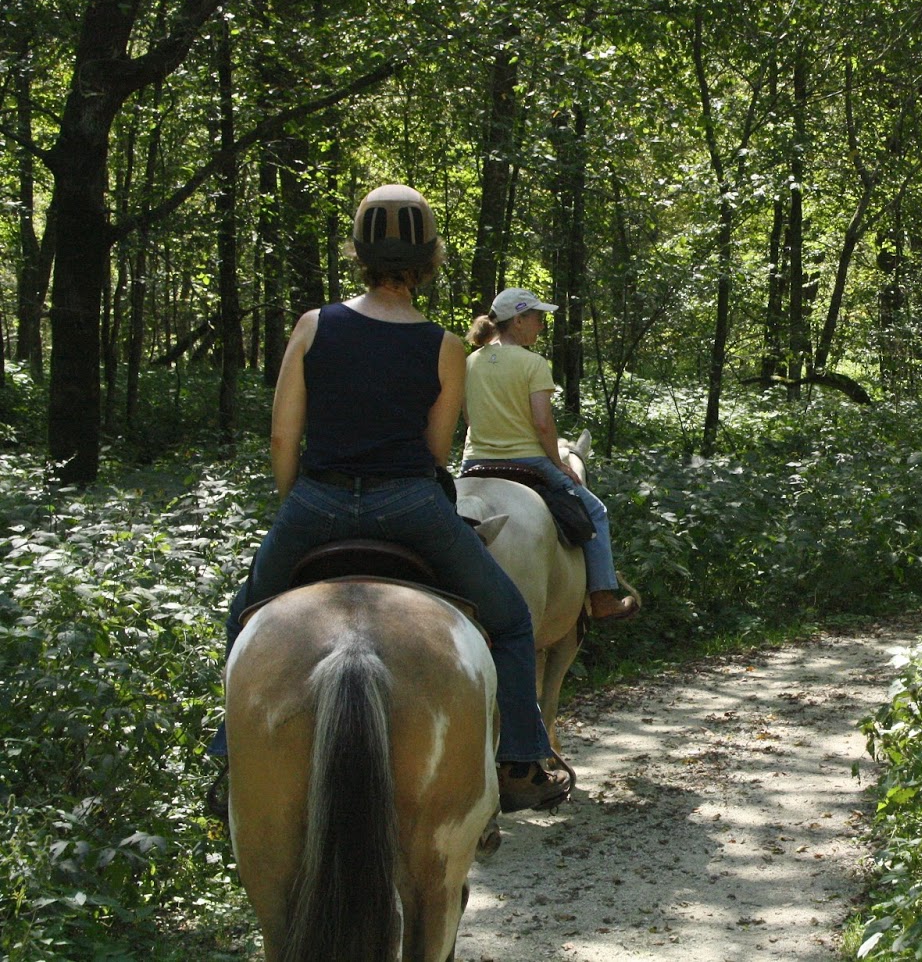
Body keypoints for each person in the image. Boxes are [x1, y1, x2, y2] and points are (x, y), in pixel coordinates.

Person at [211, 184, 569, 814]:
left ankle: (228, 758)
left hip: (316, 501)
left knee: (246, 613)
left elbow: (281, 434)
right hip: (409, 506)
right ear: (430, 260)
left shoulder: (314, 326)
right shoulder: (445, 345)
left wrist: (301, 502)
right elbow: (436, 452)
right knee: (511, 621)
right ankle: (518, 760)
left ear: (358, 254)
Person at [462, 288, 640, 623]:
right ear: (518, 321)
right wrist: (558, 463)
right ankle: (602, 597)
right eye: (537, 318)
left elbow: (469, 418)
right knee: (596, 511)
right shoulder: (533, 363)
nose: (541, 326)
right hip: (528, 462)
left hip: (474, 462)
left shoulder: (472, 361)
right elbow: (543, 423)